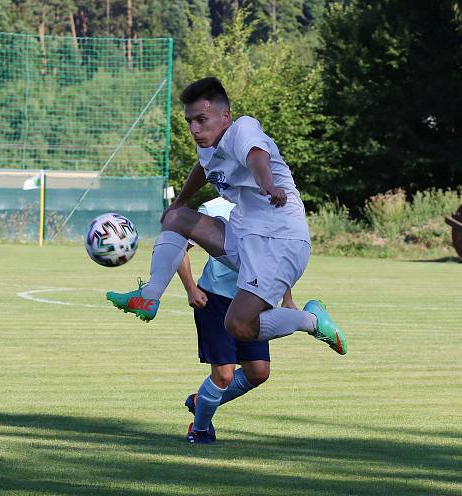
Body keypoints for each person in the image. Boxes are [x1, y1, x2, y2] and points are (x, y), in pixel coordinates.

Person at [106, 76, 347, 387]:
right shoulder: (208, 148)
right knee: (177, 218)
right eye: (190, 121)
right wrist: (179, 201)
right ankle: (149, 297)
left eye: (201, 120)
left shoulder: (243, 129)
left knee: (238, 325)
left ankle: (312, 320)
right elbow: (202, 169)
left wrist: (268, 183)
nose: (194, 129)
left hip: (281, 241)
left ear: (225, 116)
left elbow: (257, 156)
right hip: (245, 237)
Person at [177, 197, 297, 444]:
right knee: (223, 375)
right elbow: (178, 249)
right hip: (216, 300)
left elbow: (280, 257)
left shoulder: (271, 206)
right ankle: (199, 429)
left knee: (259, 372)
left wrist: (287, 298)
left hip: (255, 299)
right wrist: (190, 288)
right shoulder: (212, 208)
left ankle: (201, 401)